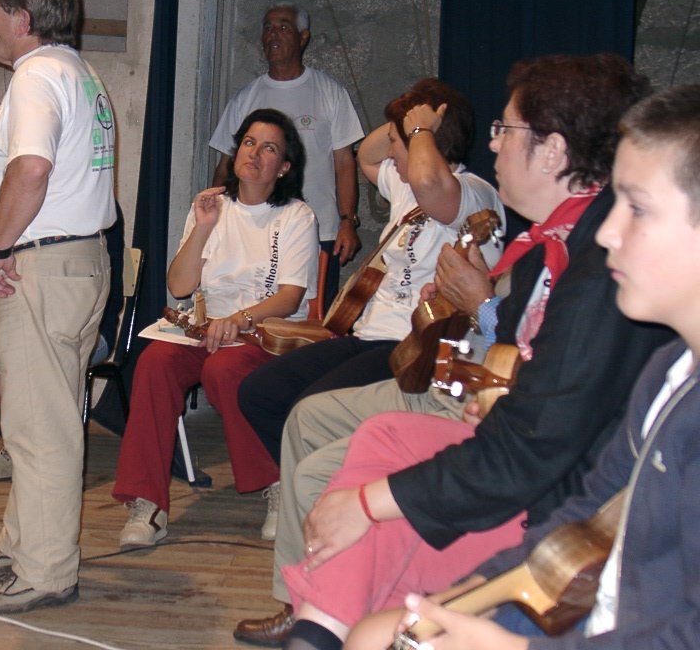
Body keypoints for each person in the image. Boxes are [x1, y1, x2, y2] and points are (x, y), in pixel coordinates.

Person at [231, 54, 673, 649]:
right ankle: (316, 618)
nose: (494, 144)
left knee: (336, 472)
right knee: (335, 423)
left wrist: (374, 500)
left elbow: (541, 439)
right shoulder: (549, 244)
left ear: (552, 150)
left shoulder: (570, 251)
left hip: (524, 470)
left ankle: (321, 622)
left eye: (505, 130)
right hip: (473, 396)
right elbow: (527, 358)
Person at [346, 83, 700, 650]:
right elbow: (585, 514)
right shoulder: (669, 370)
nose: (608, 232)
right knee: (374, 634)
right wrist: (474, 593)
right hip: (586, 605)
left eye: (637, 208)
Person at [237, 78, 505, 541]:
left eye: (401, 142)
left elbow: (430, 181)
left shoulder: (471, 191)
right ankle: (322, 494)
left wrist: (420, 131)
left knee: (308, 408)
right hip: (366, 337)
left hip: (413, 349)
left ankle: (341, 510)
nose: (392, 153)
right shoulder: (405, 186)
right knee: (260, 391)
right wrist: (410, 115)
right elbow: (367, 154)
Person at [0, 0, 116, 615]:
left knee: (38, 427)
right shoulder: (76, 71)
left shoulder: (36, 76)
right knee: (40, 413)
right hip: (76, 263)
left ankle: (46, 572)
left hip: (41, 268)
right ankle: (20, 546)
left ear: (21, 19)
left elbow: (31, 170)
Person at [113, 108, 319, 548]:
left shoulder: (296, 216)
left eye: (269, 148)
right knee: (155, 364)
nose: (254, 153)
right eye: (249, 142)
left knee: (224, 369)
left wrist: (238, 321)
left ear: (284, 167)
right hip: (206, 330)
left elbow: (290, 297)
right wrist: (203, 228)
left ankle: (277, 483)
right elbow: (179, 286)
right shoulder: (211, 207)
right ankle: (148, 504)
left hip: (267, 333)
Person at [210, 2, 364, 305]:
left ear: (303, 37)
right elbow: (226, 165)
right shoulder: (245, 98)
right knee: (257, 310)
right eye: (267, 28)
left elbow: (345, 163)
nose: (273, 34)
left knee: (310, 315)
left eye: (283, 27)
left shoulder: (329, 92)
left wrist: (347, 221)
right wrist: (214, 216)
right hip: (255, 231)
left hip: (319, 230)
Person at [0, 207, 125, 481]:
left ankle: (39, 448)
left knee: (43, 362)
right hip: (28, 311)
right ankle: (34, 439)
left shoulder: (89, 206)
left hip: (84, 321)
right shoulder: (25, 205)